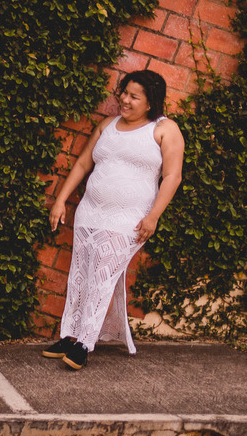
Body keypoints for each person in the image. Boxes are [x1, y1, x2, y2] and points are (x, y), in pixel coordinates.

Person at [43, 69, 184, 370]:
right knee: (80, 274)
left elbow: (172, 176)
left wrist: (153, 217)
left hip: (129, 220)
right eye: (124, 92)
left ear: (150, 103)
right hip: (91, 212)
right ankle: (69, 336)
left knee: (102, 277)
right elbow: (83, 163)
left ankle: (84, 342)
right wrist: (61, 200)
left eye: (134, 96)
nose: (125, 99)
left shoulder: (164, 129)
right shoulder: (107, 125)